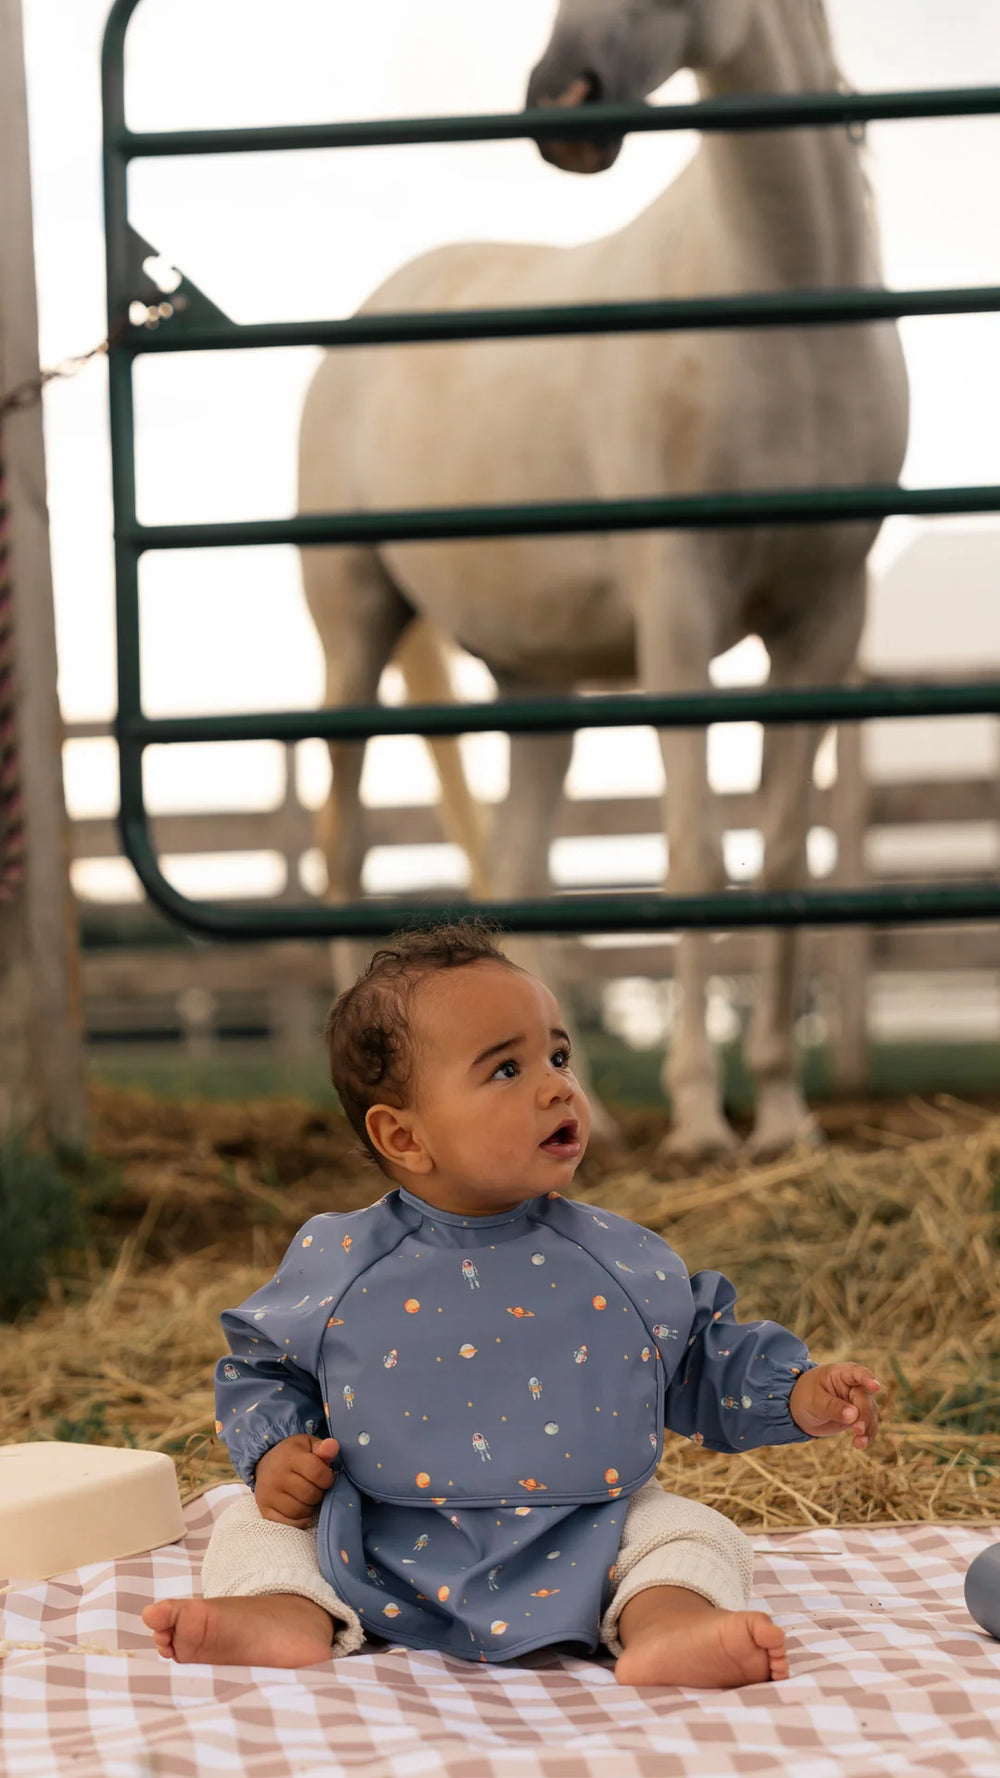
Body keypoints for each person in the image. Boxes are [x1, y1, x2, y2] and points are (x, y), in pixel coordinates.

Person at [144, 922, 881, 1688]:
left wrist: (796, 1393)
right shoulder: (340, 1263)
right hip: (376, 1540)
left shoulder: (618, 1260)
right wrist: (277, 1453)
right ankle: (282, 1613)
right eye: (505, 1070)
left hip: (590, 1530)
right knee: (250, 1525)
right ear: (404, 1135)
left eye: (558, 1055)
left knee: (695, 1533)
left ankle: (669, 1624)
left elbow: (695, 1359)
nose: (558, 1084)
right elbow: (265, 1364)